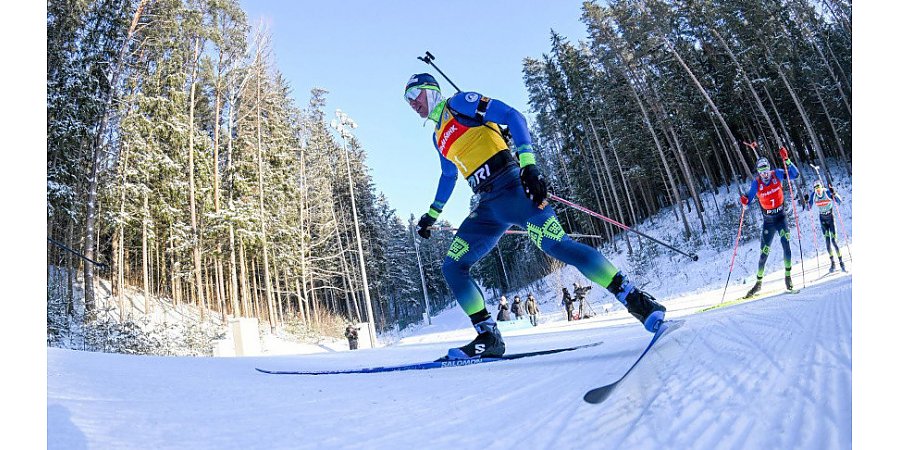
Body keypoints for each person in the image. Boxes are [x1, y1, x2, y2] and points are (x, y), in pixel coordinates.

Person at [405, 73, 666, 359]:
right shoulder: (437, 137)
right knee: (452, 266)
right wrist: (432, 214)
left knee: (557, 245)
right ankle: (488, 336)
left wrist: (529, 166)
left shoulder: (459, 103)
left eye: (414, 94)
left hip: (514, 188)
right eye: (407, 100)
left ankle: (635, 298)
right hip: (487, 206)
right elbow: (448, 175)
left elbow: (513, 116)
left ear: (430, 90)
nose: (412, 103)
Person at [740, 148, 800, 297]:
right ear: (758, 172)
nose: (765, 174)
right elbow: (748, 201)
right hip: (768, 222)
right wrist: (744, 201)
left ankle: (788, 278)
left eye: (766, 170)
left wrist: (787, 160)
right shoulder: (757, 184)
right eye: (761, 171)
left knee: (786, 246)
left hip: (781, 218)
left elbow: (795, 175)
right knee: (763, 254)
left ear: (769, 169)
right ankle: (758, 284)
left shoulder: (777, 174)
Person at [806, 180, 846, 273]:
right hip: (822, 219)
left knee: (834, 241)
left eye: (819, 187)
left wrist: (834, 193)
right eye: (816, 188)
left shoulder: (826, 192)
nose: (818, 190)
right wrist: (807, 200)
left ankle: (841, 262)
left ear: (821, 186)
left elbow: (839, 201)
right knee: (827, 243)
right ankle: (833, 263)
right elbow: (808, 208)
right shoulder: (814, 195)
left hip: (830, 218)